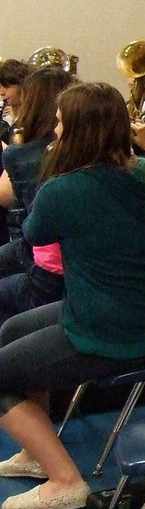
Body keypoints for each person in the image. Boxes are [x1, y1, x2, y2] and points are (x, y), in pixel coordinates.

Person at [0, 82, 145, 509]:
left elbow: (32, 232)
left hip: (107, 328)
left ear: (78, 130)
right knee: (12, 328)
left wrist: (46, 169)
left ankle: (65, 480)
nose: (54, 129)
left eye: (60, 122)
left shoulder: (65, 188)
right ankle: (35, 454)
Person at [0, 68, 75, 327]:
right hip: (62, 263)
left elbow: (30, 227)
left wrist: (11, 149)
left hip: (46, 268)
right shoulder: (95, 162)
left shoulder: (32, 156)